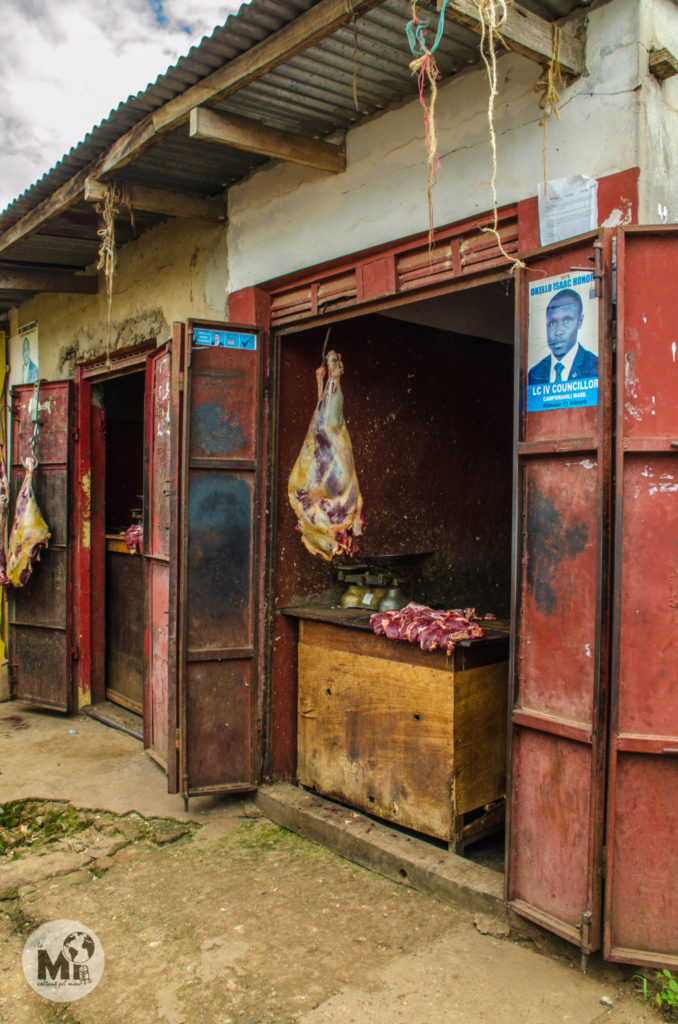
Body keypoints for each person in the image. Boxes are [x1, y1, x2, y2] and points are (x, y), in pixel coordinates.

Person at [528, 288, 598, 384]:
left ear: (580, 321)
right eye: (552, 323)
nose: (558, 332)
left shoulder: (594, 367)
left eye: (567, 321)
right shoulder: (535, 373)